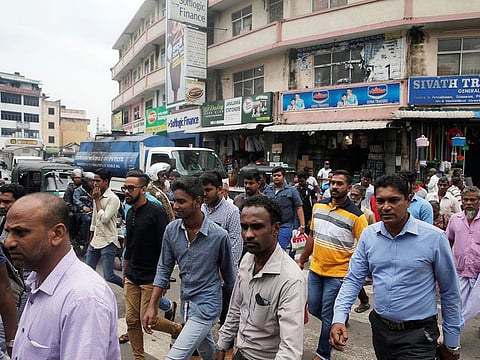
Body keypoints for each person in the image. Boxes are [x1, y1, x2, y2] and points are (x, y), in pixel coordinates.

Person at [330, 174, 464, 360]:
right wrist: (339, 317)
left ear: (409, 200)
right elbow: (353, 279)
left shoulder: (434, 238)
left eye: (393, 200)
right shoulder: (369, 236)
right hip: (380, 330)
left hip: (419, 335)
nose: (386, 207)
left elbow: (450, 292)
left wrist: (451, 344)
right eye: (381, 201)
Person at [5, 193, 121, 359]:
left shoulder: (83, 299)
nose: (8, 242)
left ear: (57, 233)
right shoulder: (38, 281)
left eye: (20, 232)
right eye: (8, 232)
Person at [142, 176, 236, 360]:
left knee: (175, 356)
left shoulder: (219, 236)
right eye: (174, 200)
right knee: (206, 347)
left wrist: (234, 315)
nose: (175, 206)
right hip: (187, 303)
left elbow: (229, 277)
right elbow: (163, 269)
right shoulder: (171, 230)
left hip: (208, 305)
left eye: (181, 201)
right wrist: (152, 306)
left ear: (197, 202)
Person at [215, 196, 307, 360]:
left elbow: (290, 349)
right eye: (244, 227)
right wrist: (222, 345)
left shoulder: (291, 280)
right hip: (241, 353)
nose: (248, 234)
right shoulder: (247, 260)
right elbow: (235, 309)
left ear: (276, 228)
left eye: (257, 227)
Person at [298, 170, 368, 360]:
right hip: (315, 269)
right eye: (332, 183)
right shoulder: (318, 206)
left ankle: (322, 354)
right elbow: (312, 235)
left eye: (339, 183)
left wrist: (358, 271)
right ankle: (338, 324)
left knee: (328, 315)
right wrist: (302, 259)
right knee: (313, 308)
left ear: (348, 187)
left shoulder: (357, 216)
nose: (335, 187)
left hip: (338, 274)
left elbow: (366, 245)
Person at [122, 170, 182, 360]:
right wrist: (125, 271)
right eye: (125, 187)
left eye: (131, 188)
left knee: (149, 320)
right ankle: (138, 357)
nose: (126, 191)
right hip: (132, 275)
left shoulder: (156, 213)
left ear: (143, 189)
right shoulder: (130, 212)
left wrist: (163, 282)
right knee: (131, 320)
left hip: (151, 278)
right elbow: (129, 245)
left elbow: (167, 249)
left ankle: (177, 329)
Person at [446, 186, 480, 322]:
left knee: (474, 306)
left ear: (478, 201)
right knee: (456, 306)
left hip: (478, 273)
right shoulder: (455, 219)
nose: (469, 203)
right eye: (466, 200)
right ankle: (452, 336)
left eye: (473, 200)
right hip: (461, 271)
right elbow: (448, 240)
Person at [86, 168, 122, 287]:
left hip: (108, 240)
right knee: (87, 272)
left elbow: (104, 219)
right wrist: (90, 238)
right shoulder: (97, 195)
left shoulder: (113, 199)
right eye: (94, 180)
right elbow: (95, 219)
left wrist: (96, 200)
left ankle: (131, 289)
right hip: (96, 239)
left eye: (98, 180)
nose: (95, 183)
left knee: (109, 276)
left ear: (106, 181)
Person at [263, 166, 305, 252]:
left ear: (283, 177)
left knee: (280, 250)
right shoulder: (267, 190)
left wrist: (302, 226)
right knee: (269, 249)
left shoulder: (291, 190)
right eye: (274, 176)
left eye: (279, 175)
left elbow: (299, 207)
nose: (276, 177)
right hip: (270, 226)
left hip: (285, 226)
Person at [349, 184, 376, 314]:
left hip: (359, 250)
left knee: (355, 277)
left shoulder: (368, 214)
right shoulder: (344, 210)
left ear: (362, 197)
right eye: (352, 195)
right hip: (344, 248)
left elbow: (373, 234)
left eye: (356, 196)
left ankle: (364, 301)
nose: (353, 198)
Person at [73, 171, 95, 246]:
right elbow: (76, 200)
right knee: (87, 219)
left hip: (92, 211)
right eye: (91, 181)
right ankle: (87, 240)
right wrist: (83, 206)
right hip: (81, 212)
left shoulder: (94, 190)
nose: (93, 183)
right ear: (86, 181)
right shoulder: (78, 191)